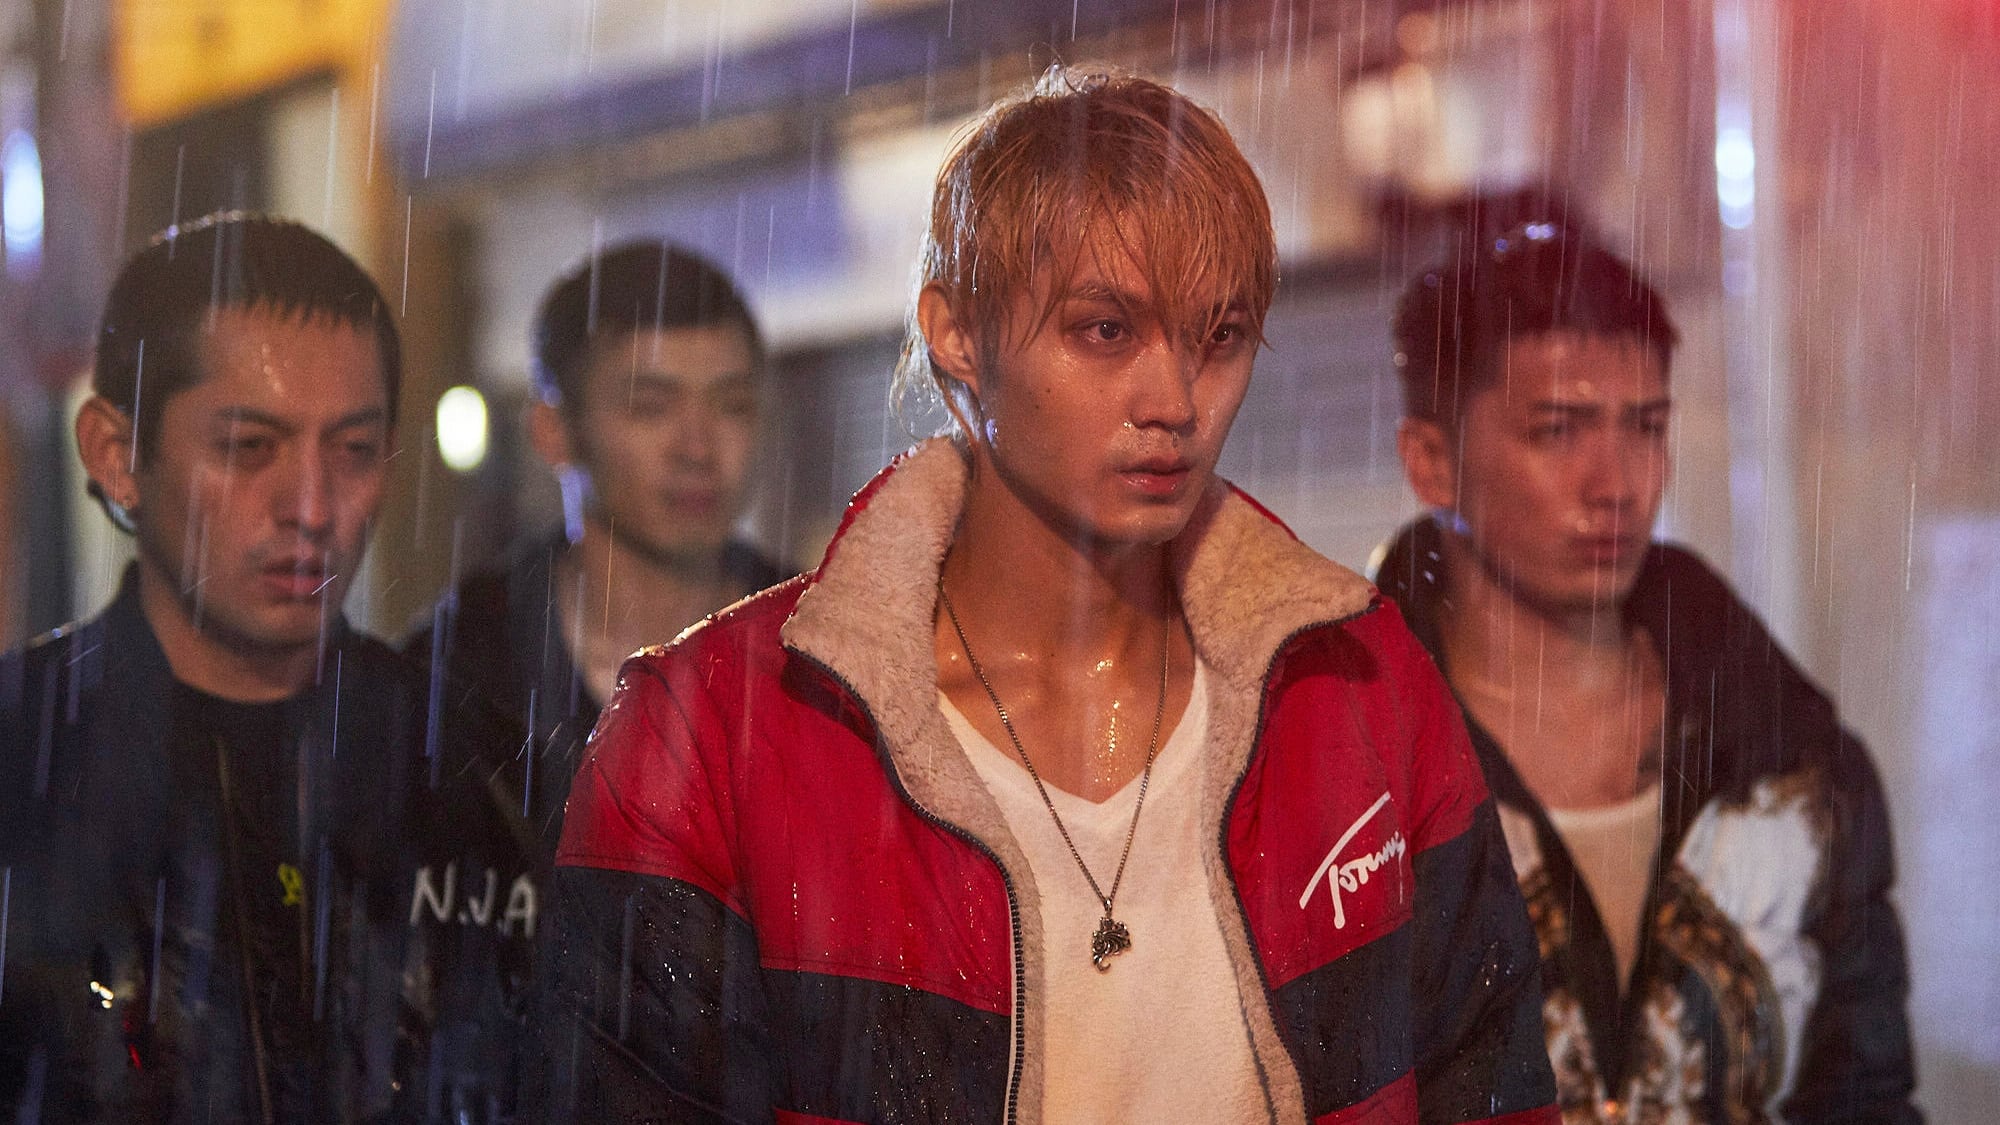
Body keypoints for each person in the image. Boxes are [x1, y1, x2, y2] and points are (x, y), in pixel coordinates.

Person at [528, 67, 1558, 1124]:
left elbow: (1492, 1085)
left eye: (1219, 336)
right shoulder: (709, 736)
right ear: (956, 333)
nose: (1174, 401)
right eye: (1105, 330)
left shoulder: (1364, 688)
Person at [1379, 212, 1920, 1123]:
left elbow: (1864, 1098)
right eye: (1558, 429)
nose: (1617, 484)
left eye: (1646, 425)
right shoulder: (1357, 780)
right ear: (1432, 462)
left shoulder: (1791, 760)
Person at [0, 213, 537, 1123]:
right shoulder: (22, 762)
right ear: (118, 456)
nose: (312, 506)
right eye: (249, 447)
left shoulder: (483, 778)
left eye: (354, 450)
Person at [406, 240, 785, 857]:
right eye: (650, 407)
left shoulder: (823, 652)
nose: (698, 448)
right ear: (554, 432)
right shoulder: (460, 676)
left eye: (732, 405)